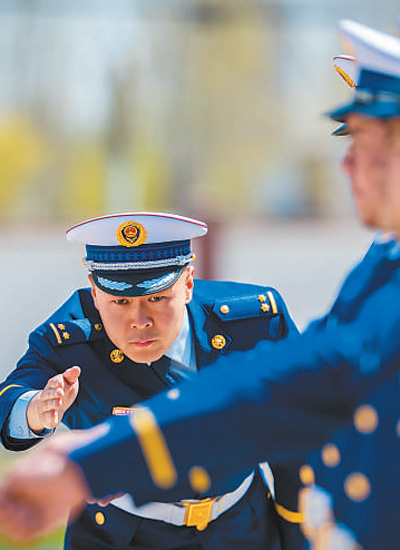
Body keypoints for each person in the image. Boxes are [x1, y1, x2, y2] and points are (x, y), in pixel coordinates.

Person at [1, 17, 400, 549]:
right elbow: (287, 390)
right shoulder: (382, 263)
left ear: (189, 284)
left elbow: (292, 392)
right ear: (95, 295)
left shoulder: (269, 310)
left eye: (368, 142)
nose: (347, 164)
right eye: (348, 142)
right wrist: (71, 446)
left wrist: (91, 465)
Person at [0, 212, 301, 550]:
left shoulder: (255, 324)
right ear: (95, 294)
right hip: (120, 534)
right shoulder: (71, 340)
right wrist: (36, 411)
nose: (139, 321)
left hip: (239, 527)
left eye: (156, 298)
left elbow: (298, 437)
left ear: (187, 283)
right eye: (119, 302)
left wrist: (297, 529)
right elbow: (12, 396)